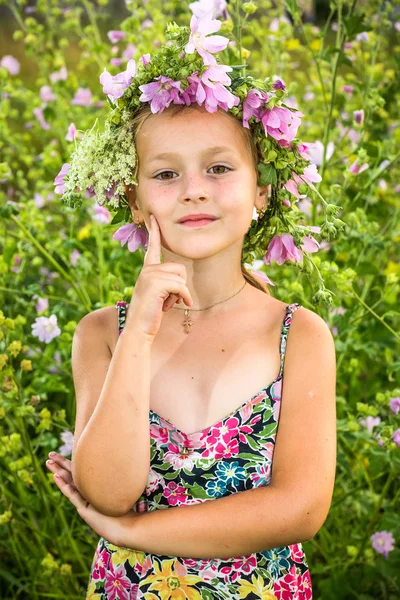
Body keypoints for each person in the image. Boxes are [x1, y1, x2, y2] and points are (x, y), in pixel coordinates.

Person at [46, 10, 337, 599]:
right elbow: (108, 490)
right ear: (134, 200)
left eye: (219, 168)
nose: (194, 188)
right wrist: (140, 333)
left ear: (261, 189)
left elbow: (298, 510)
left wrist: (128, 532)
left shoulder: (298, 334)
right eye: (166, 173)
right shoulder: (103, 333)